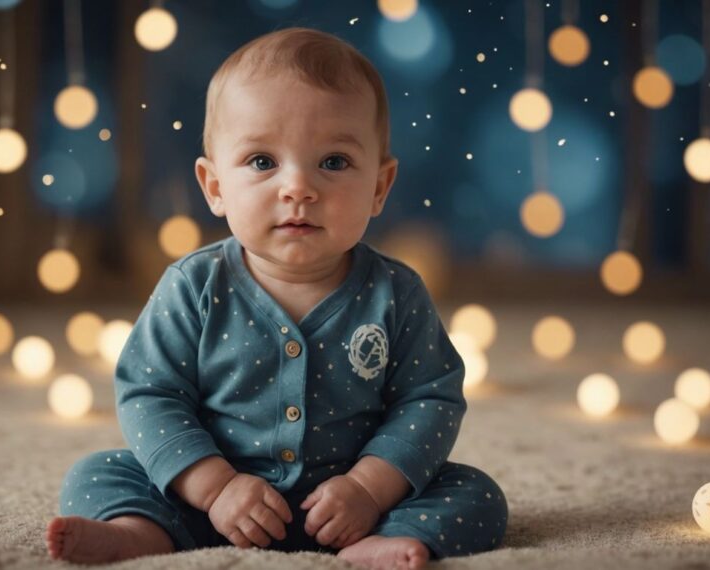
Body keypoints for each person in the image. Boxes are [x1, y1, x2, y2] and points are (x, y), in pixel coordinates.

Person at [46, 27, 507, 569]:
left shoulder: (395, 293)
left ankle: (379, 544)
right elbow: (150, 393)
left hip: (354, 505)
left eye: (333, 162)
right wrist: (216, 488)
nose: (298, 188)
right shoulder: (195, 285)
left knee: (477, 494)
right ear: (215, 187)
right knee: (98, 472)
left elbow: (430, 400)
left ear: (379, 187)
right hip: (211, 502)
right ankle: (137, 533)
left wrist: (367, 489)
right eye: (263, 162)